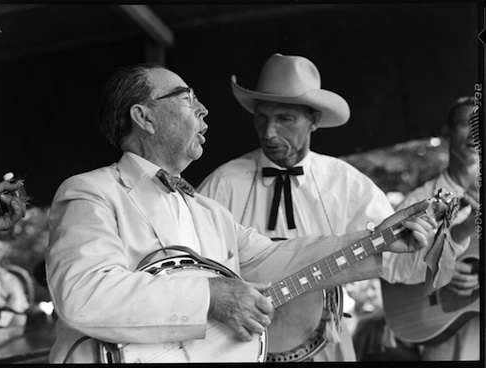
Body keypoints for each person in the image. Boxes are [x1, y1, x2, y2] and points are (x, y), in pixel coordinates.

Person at [45, 62, 437, 363]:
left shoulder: (208, 211)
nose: (203, 111)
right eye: (186, 98)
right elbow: (82, 294)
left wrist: (378, 241)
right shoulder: (90, 191)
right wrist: (210, 298)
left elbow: (275, 258)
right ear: (144, 118)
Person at [197, 53, 396, 361]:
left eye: (284, 119)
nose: (268, 132)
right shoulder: (224, 183)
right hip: (236, 347)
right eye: (261, 117)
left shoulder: (346, 183)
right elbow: (190, 267)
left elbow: (396, 258)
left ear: (313, 120)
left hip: (326, 343)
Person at [382, 96, 480, 360]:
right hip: (442, 336)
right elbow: (389, 267)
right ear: (446, 133)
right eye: (465, 123)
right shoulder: (419, 202)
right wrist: (439, 271)